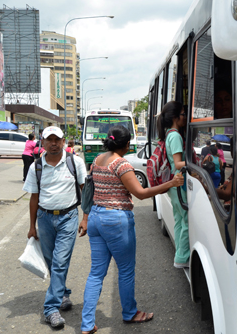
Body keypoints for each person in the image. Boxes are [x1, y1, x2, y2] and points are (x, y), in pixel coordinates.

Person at [78, 125, 184, 334]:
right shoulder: (121, 164)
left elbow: (90, 190)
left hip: (97, 218)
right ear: (127, 144)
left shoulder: (98, 159)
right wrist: (171, 183)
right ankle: (129, 313)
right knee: (125, 270)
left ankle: (87, 324)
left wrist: (86, 217)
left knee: (96, 273)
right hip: (116, 220)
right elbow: (141, 193)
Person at [22, 126, 87, 329]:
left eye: (56, 140)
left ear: (63, 141)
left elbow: (86, 192)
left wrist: (85, 218)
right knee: (52, 262)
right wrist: (32, 226)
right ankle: (63, 294)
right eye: (49, 140)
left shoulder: (74, 162)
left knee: (59, 262)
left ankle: (50, 309)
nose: (53, 143)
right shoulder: (36, 167)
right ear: (42, 142)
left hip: (68, 217)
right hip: (44, 218)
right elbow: (33, 197)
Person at [157, 101, 190, 269]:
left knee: (178, 220)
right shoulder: (175, 135)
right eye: (184, 114)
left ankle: (180, 253)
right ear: (176, 117)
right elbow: (177, 163)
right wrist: (193, 162)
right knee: (186, 221)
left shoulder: (169, 134)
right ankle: (183, 257)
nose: (186, 117)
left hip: (172, 184)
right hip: (178, 183)